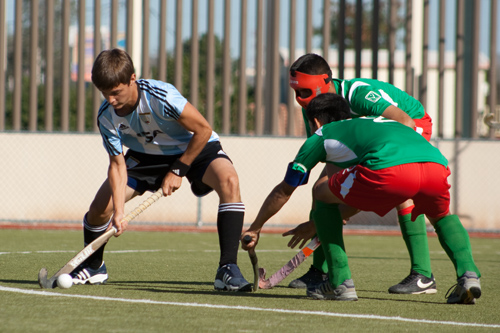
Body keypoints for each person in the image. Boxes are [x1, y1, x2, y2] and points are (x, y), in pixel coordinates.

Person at [242, 93, 481, 304]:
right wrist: (318, 224)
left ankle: (339, 281)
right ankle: (469, 275)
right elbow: (357, 201)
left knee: (320, 191)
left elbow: (285, 190)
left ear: (314, 121)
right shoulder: (369, 126)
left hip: (391, 169)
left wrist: (256, 227)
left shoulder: (323, 134)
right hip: (435, 164)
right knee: (441, 217)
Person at [70, 48, 251, 292]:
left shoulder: (161, 96)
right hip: (146, 157)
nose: (110, 100)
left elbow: (204, 130)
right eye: (104, 93)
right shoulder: (106, 116)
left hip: (193, 148)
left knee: (229, 180)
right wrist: (120, 212)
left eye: (115, 92)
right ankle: (93, 267)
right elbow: (117, 165)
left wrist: (178, 170)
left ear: (132, 79)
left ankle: (227, 268)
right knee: (101, 207)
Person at [284, 53, 436, 295]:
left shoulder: (359, 94)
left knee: (402, 193)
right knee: (323, 189)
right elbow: (325, 152)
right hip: (371, 140)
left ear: (325, 81)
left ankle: (423, 274)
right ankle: (321, 271)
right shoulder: (313, 106)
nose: (299, 99)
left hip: (411, 126)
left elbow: (405, 123)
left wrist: (348, 203)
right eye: (296, 92)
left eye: (304, 91)